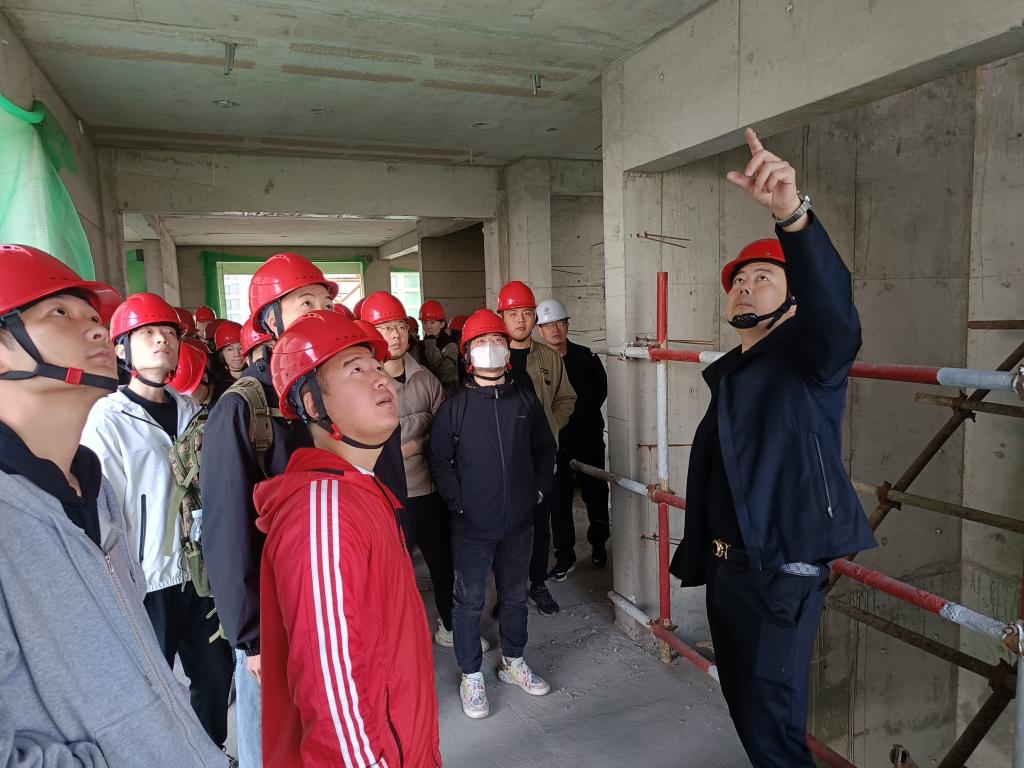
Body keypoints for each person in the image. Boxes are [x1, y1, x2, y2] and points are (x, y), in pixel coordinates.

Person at [668, 128, 877, 768]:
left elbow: (835, 310)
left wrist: (792, 215)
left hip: (780, 574)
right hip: (730, 571)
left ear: (793, 299)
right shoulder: (734, 373)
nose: (744, 286)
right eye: (738, 279)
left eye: (763, 277)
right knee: (749, 715)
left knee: (775, 736)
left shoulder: (812, 359)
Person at [0, 244, 228, 766]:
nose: (97, 330)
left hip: (193, 572)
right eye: (60, 313)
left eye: (92, 317)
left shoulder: (90, 485)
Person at [200, 253, 407, 768]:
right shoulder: (244, 406)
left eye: (325, 301)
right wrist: (251, 638)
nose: (320, 310)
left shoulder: (345, 389)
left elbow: (383, 481)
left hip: (344, 589)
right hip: (275, 607)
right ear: (269, 320)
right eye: (304, 302)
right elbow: (227, 531)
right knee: (272, 732)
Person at [255, 309, 441, 767]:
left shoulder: (364, 491)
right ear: (312, 403)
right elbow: (330, 691)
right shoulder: (323, 513)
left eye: (378, 367)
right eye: (356, 369)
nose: (381, 379)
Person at [82, 292, 234, 751]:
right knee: (150, 688)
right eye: (147, 332)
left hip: (200, 574)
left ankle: (209, 754)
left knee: (214, 676)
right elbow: (105, 507)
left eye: (168, 331)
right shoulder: (108, 419)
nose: (162, 340)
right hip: (146, 581)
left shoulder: (192, 411)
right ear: (121, 347)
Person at [429, 309, 556, 720]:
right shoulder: (456, 408)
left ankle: (513, 662)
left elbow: (545, 449)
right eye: (481, 342)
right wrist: (458, 501)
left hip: (519, 523)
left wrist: (537, 490)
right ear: (468, 354)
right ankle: (471, 675)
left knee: (515, 597)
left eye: (497, 341)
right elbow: (440, 460)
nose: (491, 348)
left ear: (508, 351)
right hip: (472, 526)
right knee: (468, 603)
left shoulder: (525, 400)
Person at [497, 280, 576, 614]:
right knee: (505, 527)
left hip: (540, 459)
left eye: (527, 313)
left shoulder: (548, 358)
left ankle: (538, 582)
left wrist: (550, 428)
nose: (520, 320)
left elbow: (566, 398)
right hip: (502, 458)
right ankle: (508, 592)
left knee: (540, 523)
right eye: (513, 313)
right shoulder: (491, 356)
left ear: (534, 317)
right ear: (502, 317)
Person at [535, 298, 611, 574]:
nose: (555, 329)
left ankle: (599, 545)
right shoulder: (537, 363)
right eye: (548, 325)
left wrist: (580, 420)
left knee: (596, 496)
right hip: (556, 443)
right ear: (540, 330)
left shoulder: (586, 357)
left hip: (588, 440)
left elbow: (600, 391)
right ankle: (565, 558)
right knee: (558, 502)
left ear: (567, 325)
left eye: (560, 323)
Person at [418, 299, 461, 396]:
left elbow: (441, 371)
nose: (428, 326)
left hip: (447, 393)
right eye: (425, 322)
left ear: (441, 324)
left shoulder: (450, 345)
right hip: (426, 392)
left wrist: (430, 343)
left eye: (432, 322)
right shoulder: (420, 346)